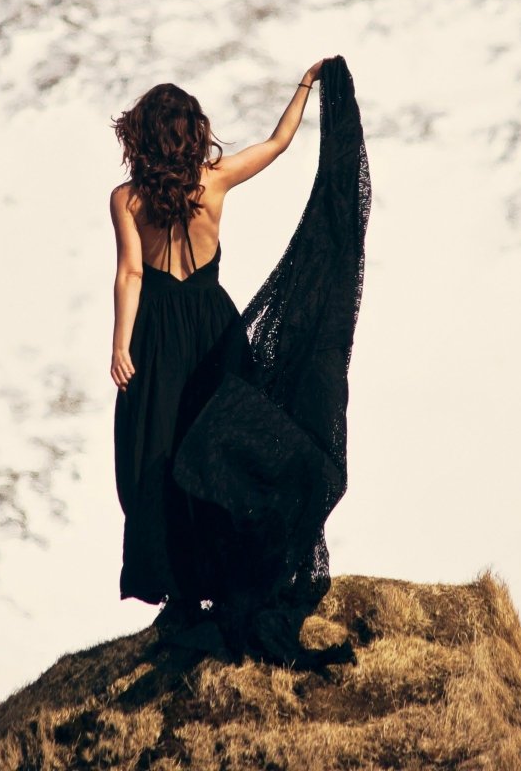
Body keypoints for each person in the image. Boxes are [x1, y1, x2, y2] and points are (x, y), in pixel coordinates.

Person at [108, 55, 368, 669]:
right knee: (221, 459)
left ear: (142, 138)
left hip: (156, 341)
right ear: (192, 134)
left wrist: (120, 346)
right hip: (215, 332)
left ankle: (181, 594)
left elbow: (130, 274)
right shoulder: (215, 181)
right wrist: (307, 85)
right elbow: (278, 143)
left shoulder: (126, 199)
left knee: (155, 459)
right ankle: (229, 580)